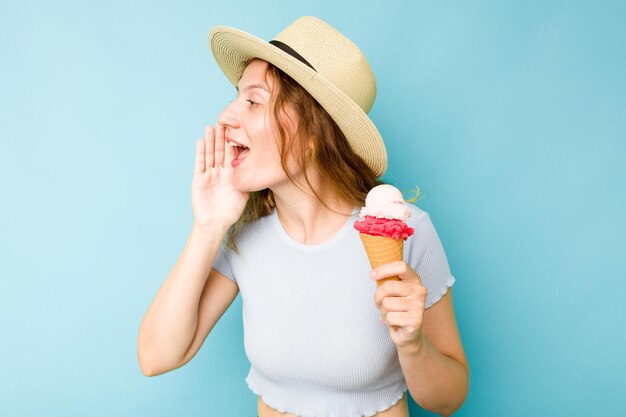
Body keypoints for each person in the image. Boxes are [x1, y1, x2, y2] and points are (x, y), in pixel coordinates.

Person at [138, 16, 469, 417]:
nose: (226, 115)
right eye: (236, 95)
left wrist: (413, 343)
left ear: (313, 132)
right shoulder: (245, 237)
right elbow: (156, 358)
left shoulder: (407, 232)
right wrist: (208, 225)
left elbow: (448, 400)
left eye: (254, 100)